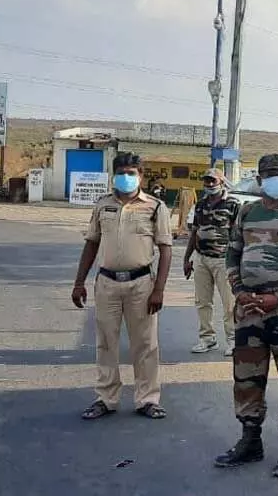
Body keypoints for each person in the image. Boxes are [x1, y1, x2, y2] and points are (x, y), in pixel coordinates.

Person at [215, 153, 278, 478]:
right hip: (248, 311)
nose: (275, 179)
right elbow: (232, 254)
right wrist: (239, 290)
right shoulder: (246, 212)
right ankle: (250, 439)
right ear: (259, 179)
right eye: (269, 174)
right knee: (247, 377)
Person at [71, 151, 173, 421]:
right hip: (107, 284)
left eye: (132, 173)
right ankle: (106, 398)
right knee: (106, 342)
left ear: (141, 175)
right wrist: (79, 282)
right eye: (122, 172)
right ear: (113, 175)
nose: (126, 177)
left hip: (142, 284)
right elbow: (91, 243)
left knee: (145, 344)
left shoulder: (155, 207)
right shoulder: (103, 205)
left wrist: (159, 289)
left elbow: (165, 248)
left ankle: (147, 399)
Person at [185, 168, 240, 356]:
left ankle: (233, 340)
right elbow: (194, 231)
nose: (209, 184)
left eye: (212, 181)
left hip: (224, 260)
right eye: (206, 181)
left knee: (229, 303)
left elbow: (239, 234)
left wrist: (239, 262)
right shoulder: (200, 205)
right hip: (201, 259)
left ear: (221, 182)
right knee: (202, 301)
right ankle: (207, 338)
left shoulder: (233, 204)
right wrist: (187, 258)